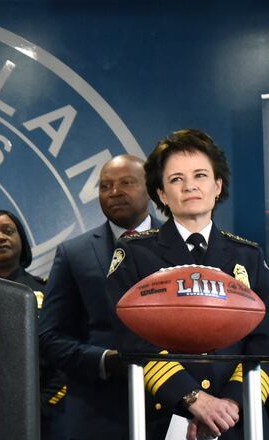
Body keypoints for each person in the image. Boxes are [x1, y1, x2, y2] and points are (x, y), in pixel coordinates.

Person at [106, 129, 269, 440]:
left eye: (200, 175)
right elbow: (132, 339)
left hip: (241, 421)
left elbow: (265, 340)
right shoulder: (133, 254)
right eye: (176, 179)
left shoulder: (249, 255)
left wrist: (230, 404)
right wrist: (194, 399)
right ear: (163, 195)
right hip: (163, 418)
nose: (190, 185)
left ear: (217, 186)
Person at [39, 154, 162, 440]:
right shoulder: (73, 253)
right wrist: (104, 361)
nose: (114, 192)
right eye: (105, 186)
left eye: (126, 183)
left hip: (171, 409)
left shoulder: (182, 245)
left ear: (152, 188)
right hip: (98, 412)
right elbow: (49, 337)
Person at [0, 209, 67, 440]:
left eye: (8, 231)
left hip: (45, 417)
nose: (1, 238)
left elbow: (64, 356)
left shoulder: (48, 291)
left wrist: (40, 407)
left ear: (22, 241)